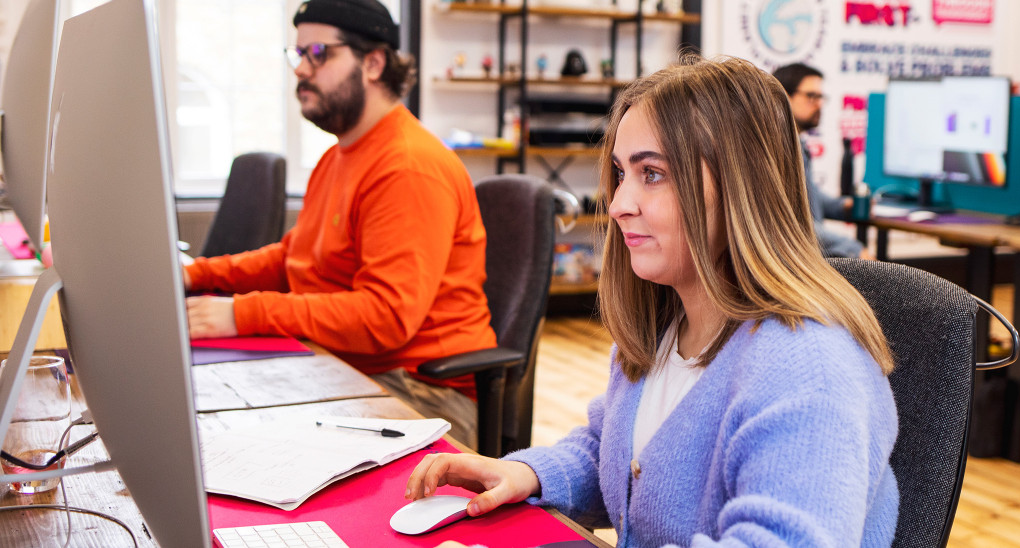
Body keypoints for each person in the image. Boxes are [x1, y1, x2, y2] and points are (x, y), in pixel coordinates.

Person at [404, 56, 899, 547]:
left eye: (653, 174)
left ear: (740, 186)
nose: (618, 204)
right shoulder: (666, 323)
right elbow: (619, 455)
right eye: (621, 173)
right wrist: (525, 474)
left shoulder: (810, 367)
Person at [183, 0, 495, 448]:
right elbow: (293, 257)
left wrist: (242, 313)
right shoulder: (337, 156)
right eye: (297, 55)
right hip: (345, 367)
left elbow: (385, 318)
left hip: (424, 395)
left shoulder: (407, 166)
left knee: (239, 443)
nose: (301, 70)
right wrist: (195, 274)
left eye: (318, 53)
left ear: (373, 62)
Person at [772, 63, 868, 259]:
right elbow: (792, 226)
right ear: (783, 96)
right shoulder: (778, 148)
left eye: (820, 97)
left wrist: (842, 206)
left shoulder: (796, 143)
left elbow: (809, 197)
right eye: (811, 96)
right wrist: (854, 249)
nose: (819, 103)